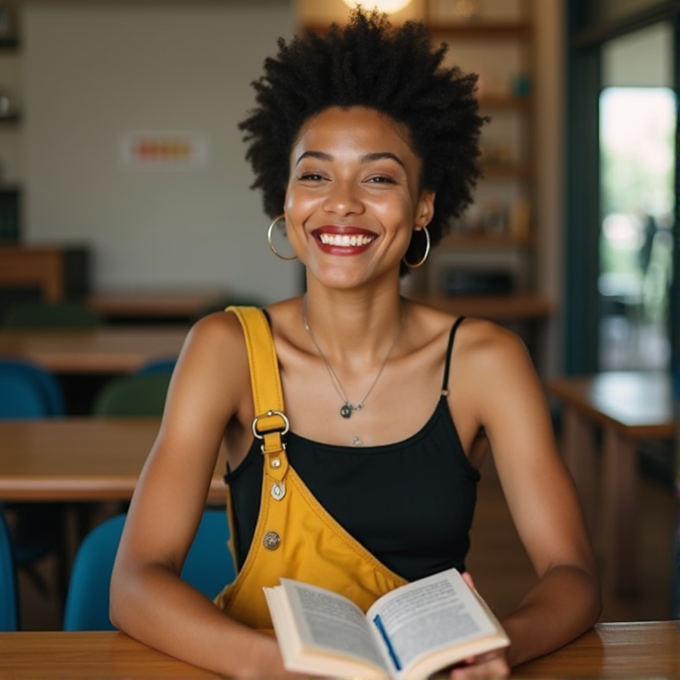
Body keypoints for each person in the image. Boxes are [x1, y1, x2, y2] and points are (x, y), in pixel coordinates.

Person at [110, 9, 601, 678]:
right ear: (284, 200)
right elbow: (135, 581)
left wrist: (501, 645)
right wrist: (267, 664)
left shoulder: (488, 361)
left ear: (424, 204)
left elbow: (572, 573)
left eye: (378, 177)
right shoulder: (225, 348)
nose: (341, 203)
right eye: (314, 176)